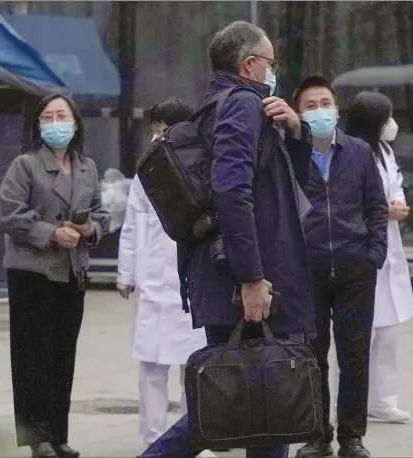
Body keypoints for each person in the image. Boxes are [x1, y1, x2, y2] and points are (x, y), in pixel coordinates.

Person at [139, 21, 316, 458]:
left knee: (254, 404)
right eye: (271, 63)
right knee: (244, 402)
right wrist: (252, 277)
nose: (275, 71)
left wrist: (297, 132)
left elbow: (280, 182)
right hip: (248, 281)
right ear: (250, 65)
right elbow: (232, 192)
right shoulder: (241, 105)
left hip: (237, 275)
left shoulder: (228, 105)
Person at [0, 93, 110, 458]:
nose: (54, 123)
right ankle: (37, 438)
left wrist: (88, 228)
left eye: (61, 115)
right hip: (33, 272)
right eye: (47, 117)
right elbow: (10, 215)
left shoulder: (88, 167)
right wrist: (51, 233)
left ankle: (58, 433)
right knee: (33, 356)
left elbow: (102, 215)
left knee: (63, 355)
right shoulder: (25, 165)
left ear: (75, 123)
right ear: (38, 125)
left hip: (72, 272)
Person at [292, 77, 388, 458]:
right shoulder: (290, 152)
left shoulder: (359, 151)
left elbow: (376, 207)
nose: (320, 110)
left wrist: (374, 255)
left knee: (354, 356)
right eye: (311, 105)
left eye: (325, 102)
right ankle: (317, 436)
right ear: (299, 114)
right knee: (311, 358)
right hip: (307, 269)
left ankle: (352, 436)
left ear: (336, 108)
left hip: (354, 267)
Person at [116, 98, 216, 458]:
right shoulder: (147, 168)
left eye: (165, 126)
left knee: (192, 364)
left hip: (188, 278)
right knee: (152, 363)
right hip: (152, 280)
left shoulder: (198, 163)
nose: (159, 133)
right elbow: (132, 224)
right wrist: (126, 273)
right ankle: (154, 433)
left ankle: (195, 436)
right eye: (155, 126)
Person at [344, 91, 413, 424]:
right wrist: (383, 211)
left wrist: (397, 207)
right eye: (386, 118)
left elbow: (395, 186)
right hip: (361, 246)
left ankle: (383, 400)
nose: (392, 125)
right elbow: (345, 201)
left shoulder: (385, 151)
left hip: (389, 246)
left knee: (389, 332)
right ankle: (351, 404)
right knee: (360, 337)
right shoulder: (349, 151)